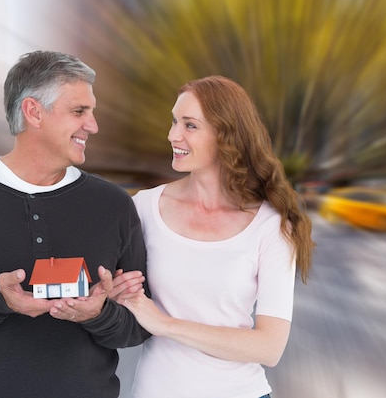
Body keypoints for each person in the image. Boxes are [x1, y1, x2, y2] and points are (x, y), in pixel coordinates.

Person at [0, 50, 150, 398]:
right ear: (33, 112)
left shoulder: (113, 205)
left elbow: (138, 329)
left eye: (91, 112)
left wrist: (97, 314)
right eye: (79, 112)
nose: (92, 125)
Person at [112, 75, 315, 398]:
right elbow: (111, 290)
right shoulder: (144, 208)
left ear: (226, 136)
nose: (173, 135)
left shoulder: (271, 225)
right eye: (174, 121)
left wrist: (165, 324)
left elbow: (269, 347)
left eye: (190, 125)